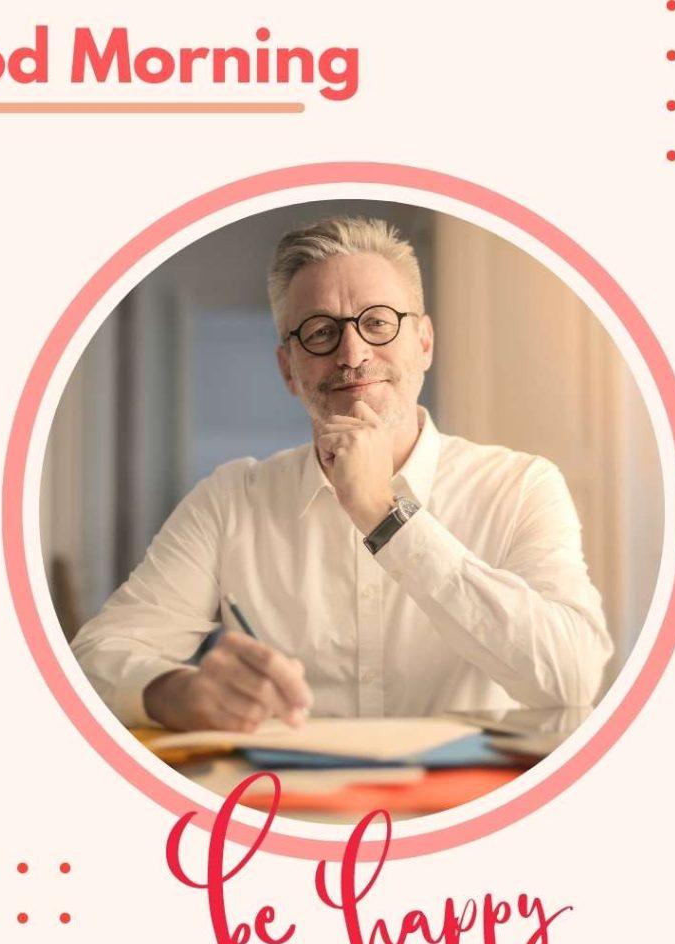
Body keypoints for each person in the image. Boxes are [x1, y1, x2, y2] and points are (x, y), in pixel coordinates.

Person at [71, 216, 613, 732]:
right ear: (288, 368)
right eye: (320, 332)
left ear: (423, 343)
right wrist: (176, 693)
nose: (352, 353)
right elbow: (94, 660)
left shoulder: (521, 487)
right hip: (281, 807)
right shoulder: (230, 500)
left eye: (378, 323)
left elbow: (571, 680)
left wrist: (384, 516)